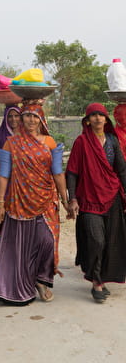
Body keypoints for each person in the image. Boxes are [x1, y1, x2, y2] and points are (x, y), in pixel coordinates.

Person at [0, 103, 69, 305]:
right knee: (22, 247)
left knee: (47, 241)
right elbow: (3, 175)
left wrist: (65, 200)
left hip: (46, 199)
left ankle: (42, 280)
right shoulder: (12, 143)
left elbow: (58, 173)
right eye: (27, 116)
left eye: (35, 117)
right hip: (19, 201)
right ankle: (22, 285)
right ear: (21, 119)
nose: (31, 121)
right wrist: (0, 203)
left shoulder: (50, 142)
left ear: (41, 119)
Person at [66, 103, 126, 303]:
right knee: (96, 241)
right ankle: (96, 282)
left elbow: (121, 170)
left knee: (110, 242)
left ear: (106, 119)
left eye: (101, 115)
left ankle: (101, 279)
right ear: (87, 120)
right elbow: (72, 172)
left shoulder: (112, 141)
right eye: (94, 116)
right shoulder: (81, 142)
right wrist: (72, 198)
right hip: (89, 200)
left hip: (112, 198)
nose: (98, 119)